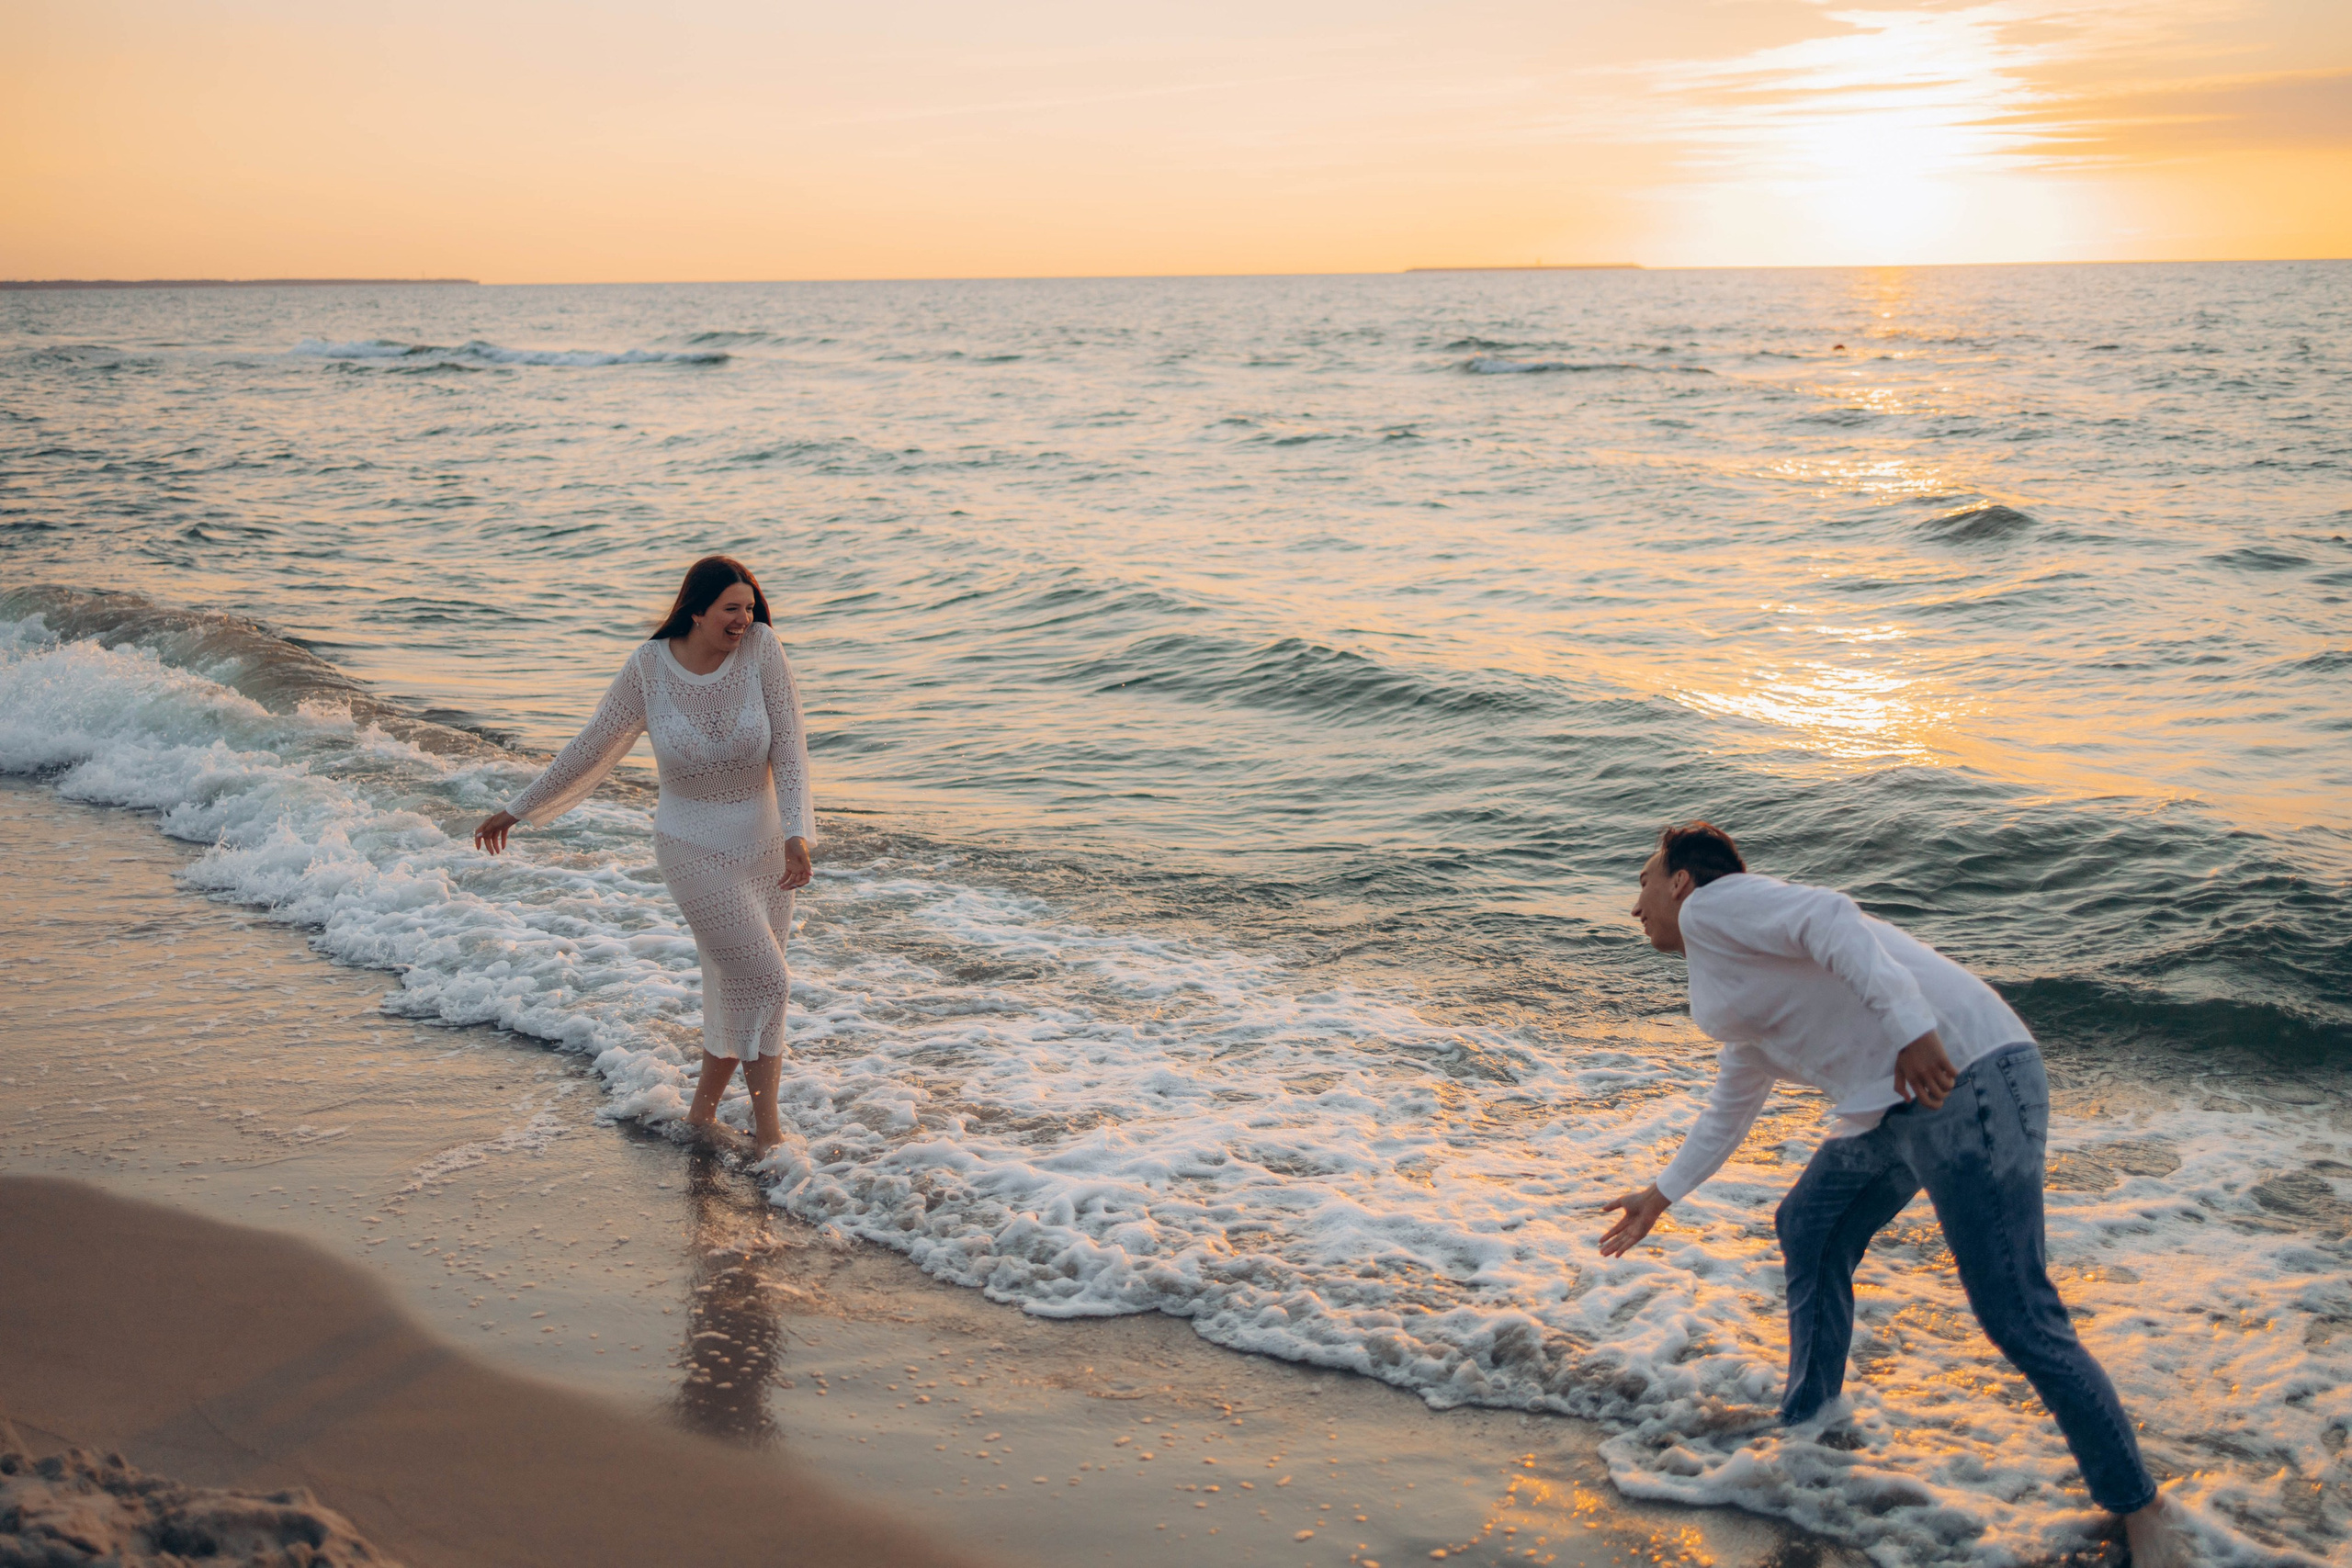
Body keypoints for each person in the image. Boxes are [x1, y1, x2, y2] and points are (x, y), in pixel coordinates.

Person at [1600, 822, 2190, 1566]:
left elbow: (1830, 917)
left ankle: (2143, 1507)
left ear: (1682, 880)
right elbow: (1736, 1091)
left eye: (1644, 881)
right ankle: (1811, 1421)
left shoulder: (1715, 906)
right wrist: (1663, 1192)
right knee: (1808, 1225)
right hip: (1893, 1103)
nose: (1636, 904)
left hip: (1963, 1072)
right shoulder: (1728, 975)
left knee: (2016, 1310)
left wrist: (1912, 1029)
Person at [474, 556, 814, 1152]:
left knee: (735, 987)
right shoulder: (649, 668)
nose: (745, 618)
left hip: (763, 850)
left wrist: (796, 834)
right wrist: (518, 808)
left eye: (750, 606)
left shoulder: (763, 649)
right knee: (767, 979)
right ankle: (769, 1137)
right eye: (731, 609)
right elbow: (591, 745)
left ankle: (700, 1117)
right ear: (696, 610)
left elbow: (789, 748)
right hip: (690, 846)